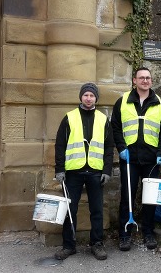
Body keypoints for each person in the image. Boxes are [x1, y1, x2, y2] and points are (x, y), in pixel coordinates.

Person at [111, 67, 161, 252]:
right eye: (142, 78)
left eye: (148, 78)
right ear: (134, 81)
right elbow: (115, 127)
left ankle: (148, 233)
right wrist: (121, 148)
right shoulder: (122, 102)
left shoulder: (160, 103)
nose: (145, 81)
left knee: (150, 198)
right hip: (129, 158)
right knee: (127, 197)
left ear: (151, 81)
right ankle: (125, 234)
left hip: (152, 159)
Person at [54, 83, 114, 261]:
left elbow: (109, 147)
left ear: (96, 98)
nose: (89, 98)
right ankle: (68, 245)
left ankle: (97, 244)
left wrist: (107, 170)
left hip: (96, 171)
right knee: (69, 210)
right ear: (81, 97)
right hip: (74, 171)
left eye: (92, 95)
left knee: (96, 209)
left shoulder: (103, 119)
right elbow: (60, 145)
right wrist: (60, 169)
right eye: (86, 95)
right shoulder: (69, 118)